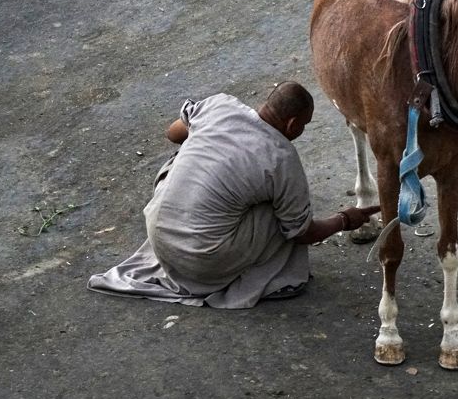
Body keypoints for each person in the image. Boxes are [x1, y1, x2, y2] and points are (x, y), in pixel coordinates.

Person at [87, 81, 378, 308]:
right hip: (201, 259)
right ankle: (273, 280)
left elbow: (173, 134)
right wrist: (344, 219)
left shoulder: (220, 105)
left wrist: (215, 141)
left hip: (159, 233)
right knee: (281, 217)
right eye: (304, 125)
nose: (301, 131)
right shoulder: (281, 158)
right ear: (292, 125)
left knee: (187, 157)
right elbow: (302, 233)